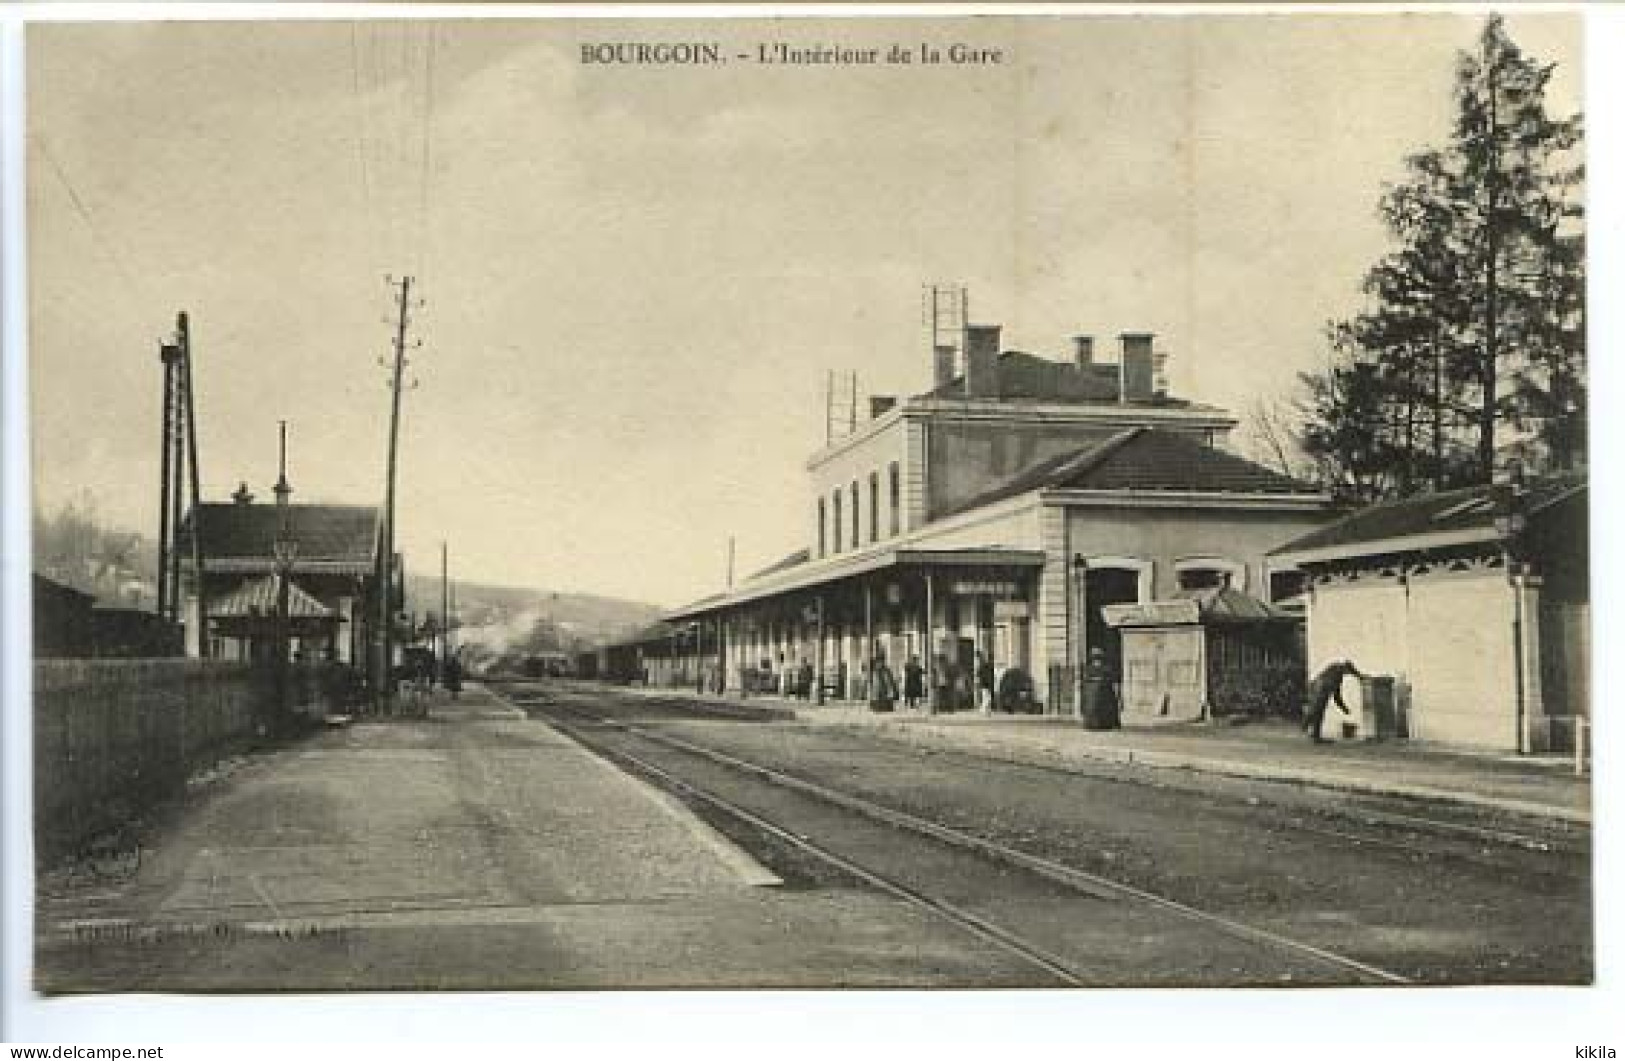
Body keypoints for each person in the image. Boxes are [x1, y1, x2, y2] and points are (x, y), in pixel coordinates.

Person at [1305, 658, 1363, 743]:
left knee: (1316, 710)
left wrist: (1344, 708)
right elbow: (1337, 696)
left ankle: (1310, 730)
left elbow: (1336, 694)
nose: (1347, 674)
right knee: (1318, 711)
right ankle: (1315, 736)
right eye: (1347, 672)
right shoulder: (1337, 673)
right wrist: (1344, 708)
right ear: (1345, 669)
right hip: (1321, 688)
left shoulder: (1336, 668)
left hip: (1318, 686)